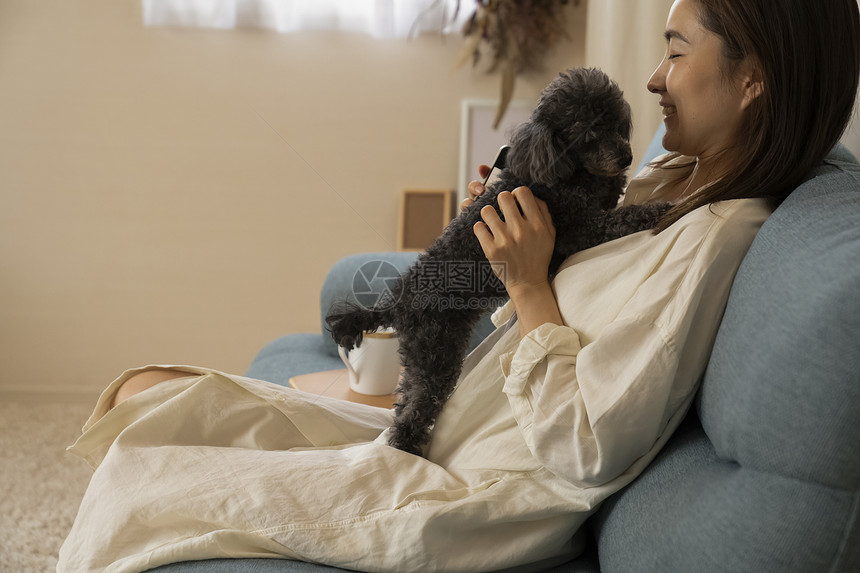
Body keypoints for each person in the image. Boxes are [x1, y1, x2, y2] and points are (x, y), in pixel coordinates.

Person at [58, 0, 859, 571]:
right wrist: (515, 234)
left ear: (754, 80)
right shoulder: (668, 185)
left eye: (678, 51)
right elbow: (568, 309)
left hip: (478, 488)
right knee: (153, 392)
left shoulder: (718, 236)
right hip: (456, 428)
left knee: (140, 479)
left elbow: (587, 446)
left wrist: (532, 284)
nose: (655, 75)